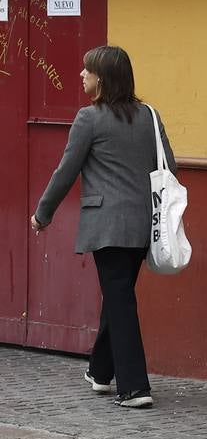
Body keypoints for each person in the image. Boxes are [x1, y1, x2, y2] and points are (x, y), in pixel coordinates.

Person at [30, 45, 175, 409]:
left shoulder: (88, 118)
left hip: (108, 226)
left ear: (103, 78)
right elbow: (169, 168)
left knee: (120, 300)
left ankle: (135, 387)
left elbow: (66, 171)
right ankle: (99, 371)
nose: (81, 75)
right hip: (143, 224)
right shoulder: (150, 116)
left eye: (87, 70)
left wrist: (42, 214)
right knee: (119, 295)